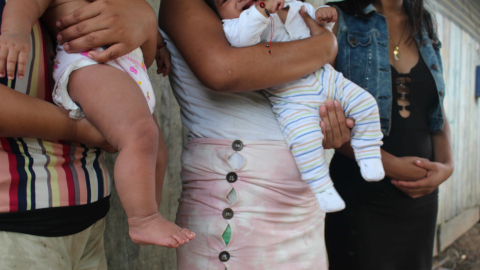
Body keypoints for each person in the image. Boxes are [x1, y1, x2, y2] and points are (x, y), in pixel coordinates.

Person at [0, 0, 195, 250]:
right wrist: (14, 32)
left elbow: (132, 14)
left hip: (124, 67)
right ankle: (144, 219)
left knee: (156, 150)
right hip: (89, 64)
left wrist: (157, 42)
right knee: (140, 135)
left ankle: (151, 214)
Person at [207, 0, 385, 213]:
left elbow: (318, 34)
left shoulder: (295, 7)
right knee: (304, 141)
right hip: (291, 98)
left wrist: (323, 17)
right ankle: (322, 188)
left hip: (328, 79)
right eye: (224, 1)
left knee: (366, 103)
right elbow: (243, 39)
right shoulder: (233, 27)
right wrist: (262, 9)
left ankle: (369, 153)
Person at [323, 0, 454, 269]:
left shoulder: (424, 22)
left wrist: (447, 167)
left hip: (421, 199)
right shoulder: (339, 18)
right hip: (362, 200)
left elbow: (436, 110)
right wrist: (393, 167)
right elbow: (327, 116)